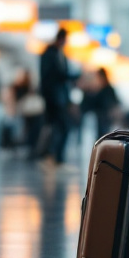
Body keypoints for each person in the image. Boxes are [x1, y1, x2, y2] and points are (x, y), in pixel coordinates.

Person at [39, 28, 79, 165]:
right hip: (54, 99)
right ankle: (54, 157)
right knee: (62, 127)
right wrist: (74, 76)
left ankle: (54, 156)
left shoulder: (60, 54)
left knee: (58, 127)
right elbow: (55, 75)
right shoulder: (50, 54)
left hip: (60, 98)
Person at [89, 68, 121, 134]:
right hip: (101, 121)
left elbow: (114, 105)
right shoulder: (100, 91)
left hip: (107, 121)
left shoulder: (108, 90)